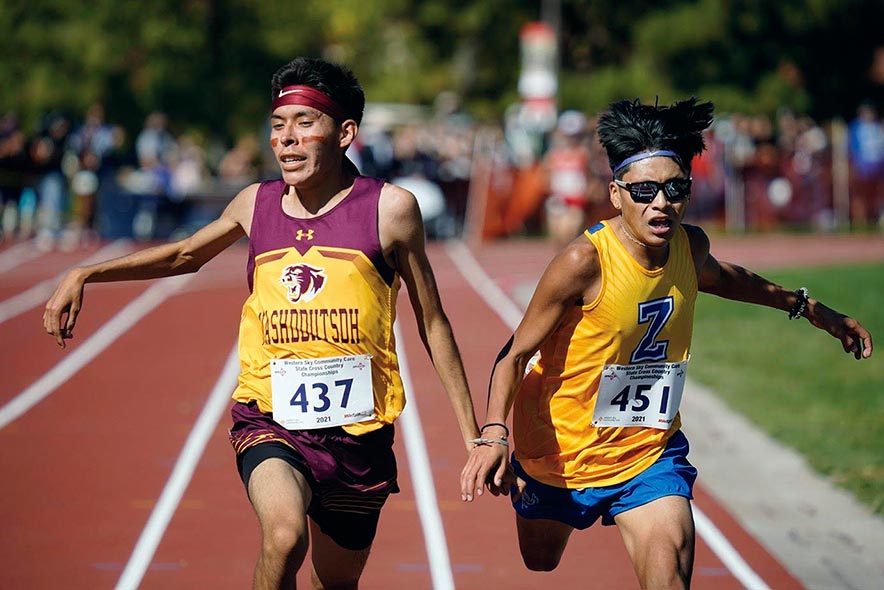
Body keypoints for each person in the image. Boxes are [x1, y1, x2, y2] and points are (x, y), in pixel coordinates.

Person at [44, 56, 484, 590]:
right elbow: (184, 254)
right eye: (278, 125)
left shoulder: (390, 209)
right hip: (271, 416)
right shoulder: (256, 204)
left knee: (334, 583)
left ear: (345, 134)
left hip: (358, 433)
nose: (286, 139)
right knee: (284, 536)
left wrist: (475, 436)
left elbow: (433, 322)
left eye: (304, 123)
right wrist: (87, 273)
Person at [459, 97, 873, 589]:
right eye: (644, 190)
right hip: (559, 453)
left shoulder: (688, 247)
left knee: (668, 570)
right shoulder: (583, 263)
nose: (661, 202)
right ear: (616, 194)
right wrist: (494, 435)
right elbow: (514, 355)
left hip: (648, 451)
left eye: (675, 188)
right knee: (540, 560)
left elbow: (731, 279)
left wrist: (811, 309)